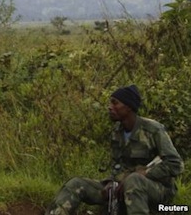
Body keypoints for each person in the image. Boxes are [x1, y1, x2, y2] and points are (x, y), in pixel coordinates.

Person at [45, 85, 184, 215]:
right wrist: (113, 183)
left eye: (115, 103)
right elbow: (118, 166)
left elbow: (175, 164)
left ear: (128, 107)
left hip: (158, 191)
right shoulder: (117, 132)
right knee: (76, 184)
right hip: (125, 187)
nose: (110, 107)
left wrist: (144, 173)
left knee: (134, 180)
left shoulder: (153, 129)